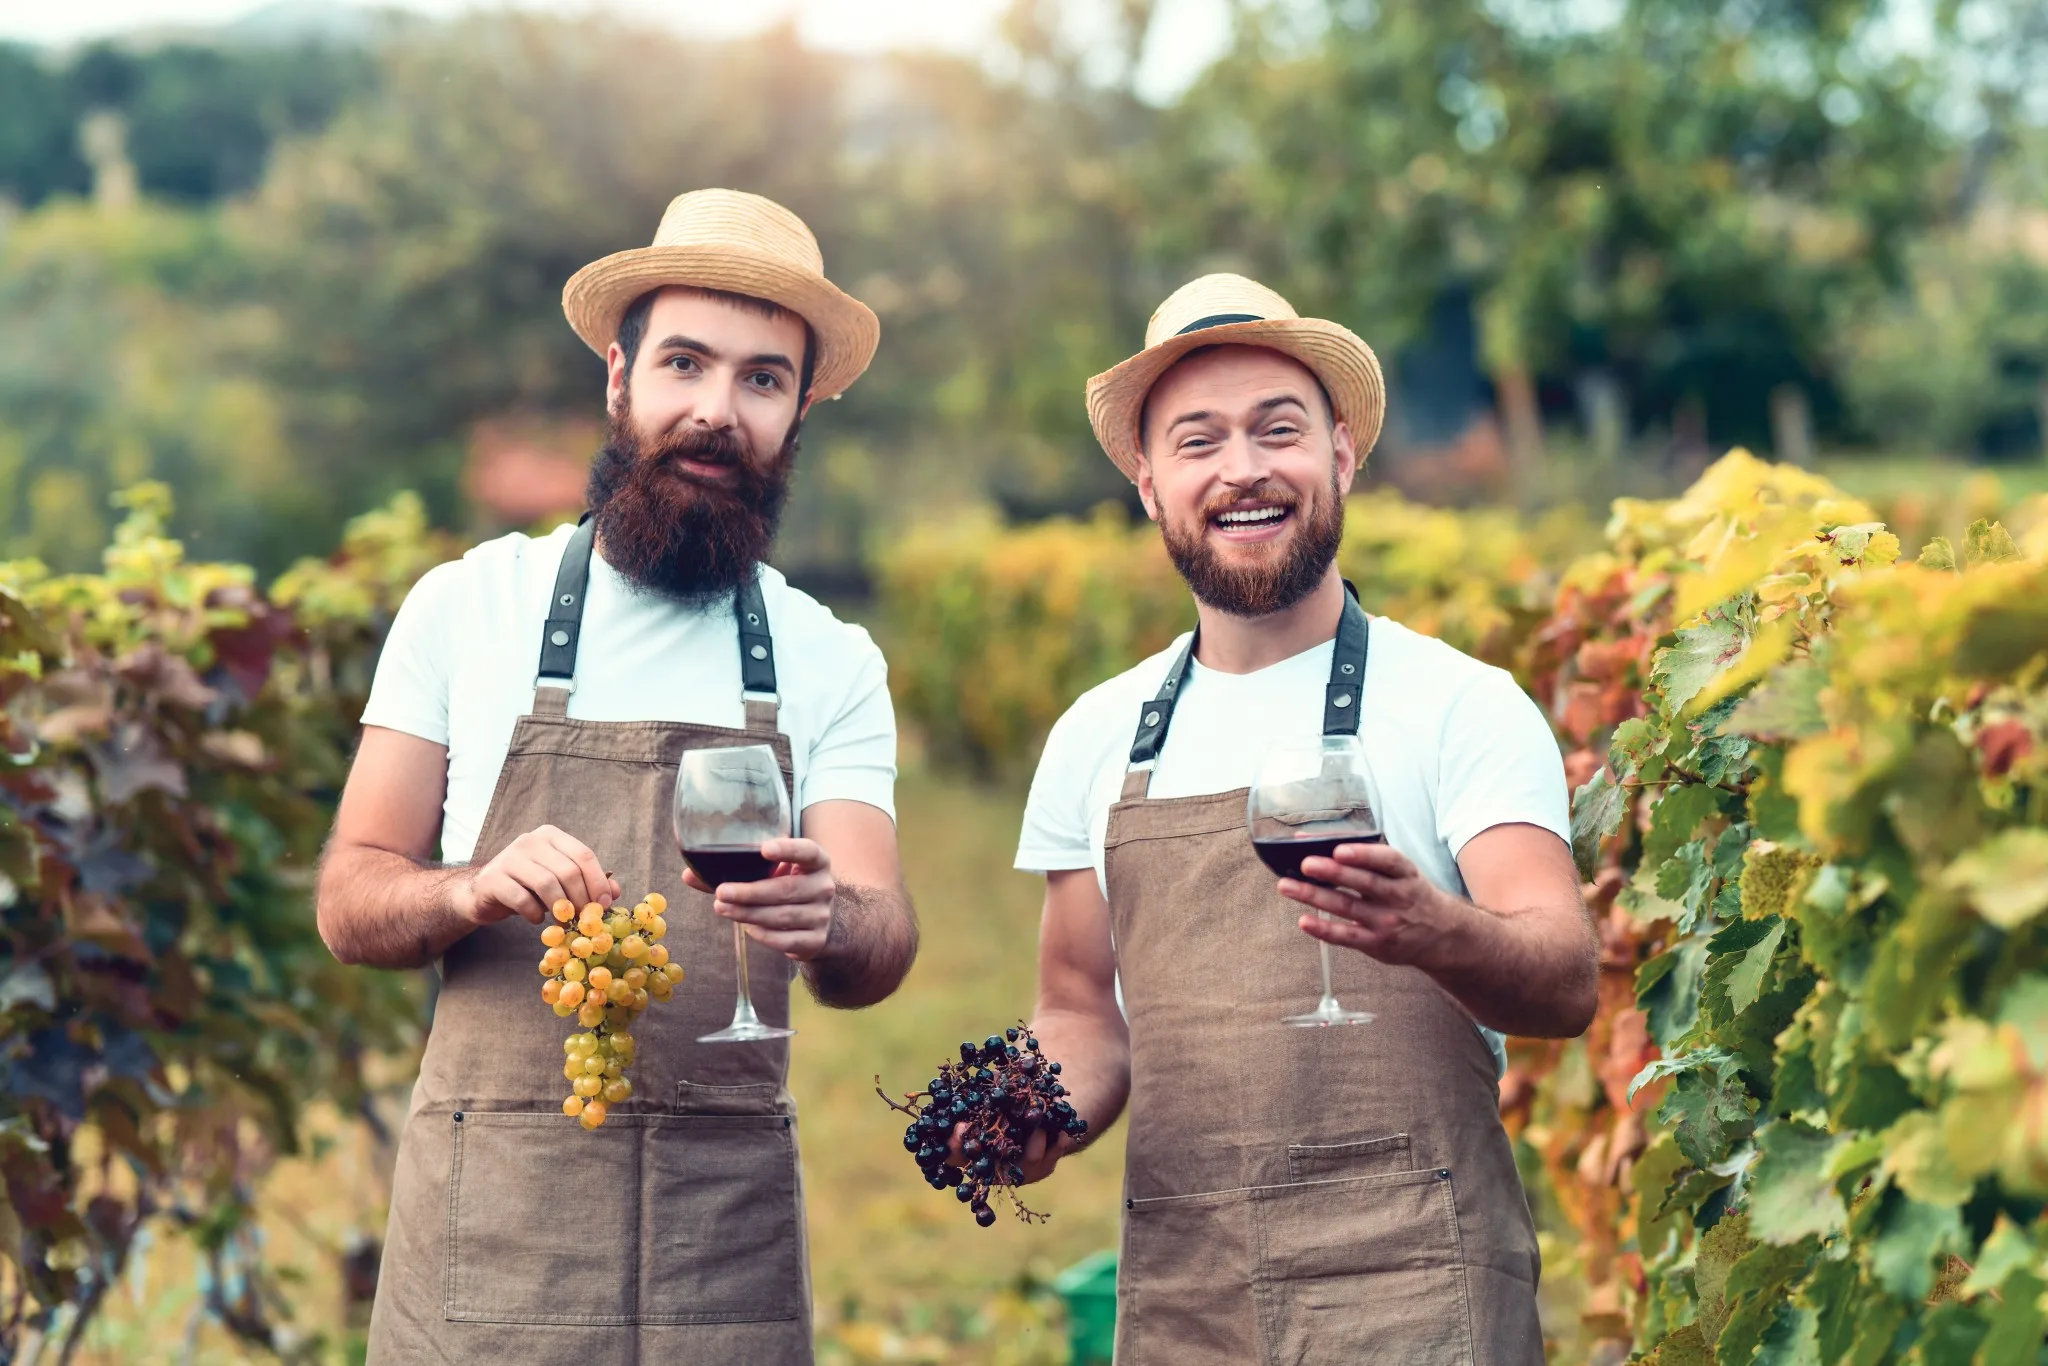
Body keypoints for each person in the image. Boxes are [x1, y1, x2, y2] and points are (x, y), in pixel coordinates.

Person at [317, 188, 918, 1363]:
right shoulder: (466, 609)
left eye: (760, 379)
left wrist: (830, 916)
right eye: (683, 363)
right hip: (490, 1229)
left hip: (721, 1243)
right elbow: (351, 896)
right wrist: (464, 890)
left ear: (796, 415)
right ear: (617, 378)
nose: (715, 409)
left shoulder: (828, 658)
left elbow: (881, 939)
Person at [1007, 274, 1596, 1364]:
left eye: (1275, 429)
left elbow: (1562, 978)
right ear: (1147, 482)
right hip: (1186, 1296)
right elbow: (1080, 1013)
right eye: (1196, 440)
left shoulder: (1458, 704)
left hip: (1419, 1292)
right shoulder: (1096, 736)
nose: (1241, 468)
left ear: (1339, 453)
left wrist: (1430, 927)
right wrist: (1028, 1113)